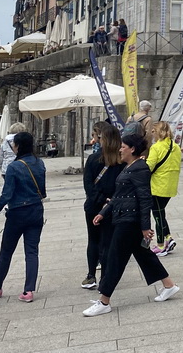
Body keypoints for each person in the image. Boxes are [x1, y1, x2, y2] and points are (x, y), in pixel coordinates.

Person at [83, 134, 180, 316]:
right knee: (143, 254)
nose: (120, 149)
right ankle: (169, 285)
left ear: (132, 149)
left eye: (123, 146)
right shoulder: (130, 167)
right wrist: (103, 213)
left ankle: (104, 301)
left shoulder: (140, 168)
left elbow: (145, 199)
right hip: (123, 217)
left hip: (130, 221)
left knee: (114, 259)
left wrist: (145, 227)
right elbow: (119, 195)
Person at [0, 131, 46, 302]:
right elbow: (43, 191)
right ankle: (28, 291)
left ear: (18, 146)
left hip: (18, 213)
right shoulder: (40, 163)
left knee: (6, 251)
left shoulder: (14, 167)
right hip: (36, 210)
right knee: (32, 251)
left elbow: (6, 194)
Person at [81, 124, 123, 290]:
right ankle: (105, 277)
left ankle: (91, 275)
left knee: (93, 240)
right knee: (108, 242)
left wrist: (99, 199)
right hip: (113, 206)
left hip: (93, 205)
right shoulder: (122, 160)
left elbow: (88, 185)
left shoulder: (93, 159)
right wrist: (110, 200)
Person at [146, 121, 182, 255]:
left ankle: (161, 245)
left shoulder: (156, 148)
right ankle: (168, 237)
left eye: (153, 131)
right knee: (161, 213)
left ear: (159, 132)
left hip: (157, 185)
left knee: (157, 215)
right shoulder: (175, 146)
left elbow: (149, 167)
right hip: (170, 185)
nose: (151, 134)